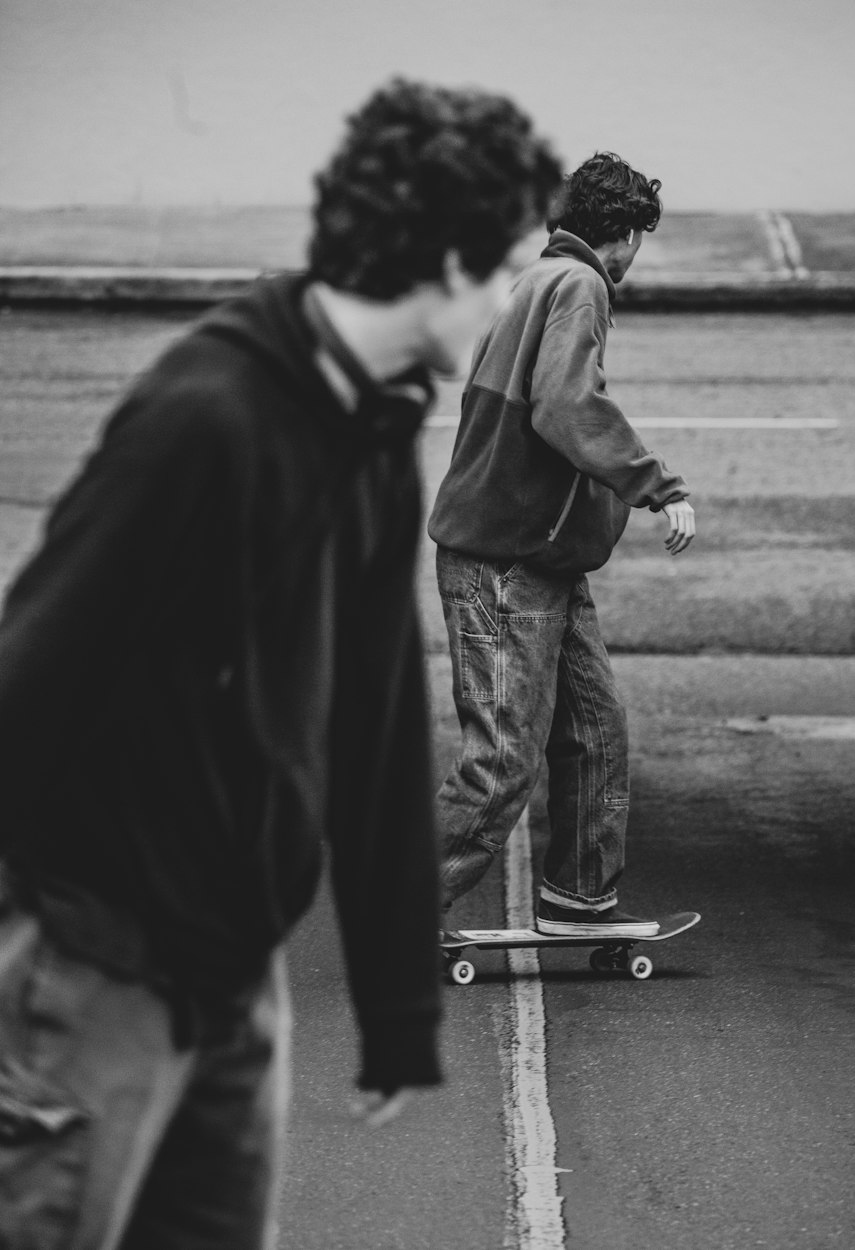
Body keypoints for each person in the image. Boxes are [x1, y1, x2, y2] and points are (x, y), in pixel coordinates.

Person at [0, 79, 561, 1248]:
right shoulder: (204, 419)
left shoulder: (369, 431)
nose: (515, 295)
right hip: (94, 970)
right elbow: (29, 682)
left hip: (232, 976)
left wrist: (399, 1005)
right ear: (451, 264)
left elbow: (372, 723)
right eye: (507, 264)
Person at [430, 151, 696, 938]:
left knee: (593, 730)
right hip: (506, 562)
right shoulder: (580, 286)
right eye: (638, 237)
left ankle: (579, 899)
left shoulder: (538, 279)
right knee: (505, 753)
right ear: (621, 235)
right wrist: (658, 485)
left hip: (537, 556)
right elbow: (566, 405)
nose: (635, 257)